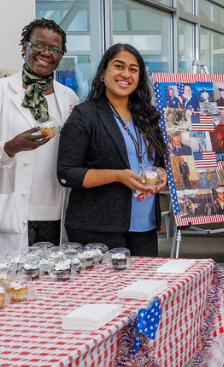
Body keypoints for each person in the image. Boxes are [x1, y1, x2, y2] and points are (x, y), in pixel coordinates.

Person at [0, 19, 80, 261]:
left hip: (55, 210)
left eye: (55, 49)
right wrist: (10, 147)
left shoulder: (68, 97)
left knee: (50, 286)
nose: (47, 54)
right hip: (8, 210)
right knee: (9, 287)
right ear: (24, 47)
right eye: (39, 45)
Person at [57, 44, 167, 257]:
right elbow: (66, 174)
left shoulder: (148, 116)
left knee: (144, 288)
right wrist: (117, 176)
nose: (126, 74)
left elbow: (157, 161)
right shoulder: (85, 115)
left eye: (133, 69)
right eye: (119, 66)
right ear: (104, 72)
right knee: (108, 290)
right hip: (99, 227)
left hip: (145, 225)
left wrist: (161, 173)